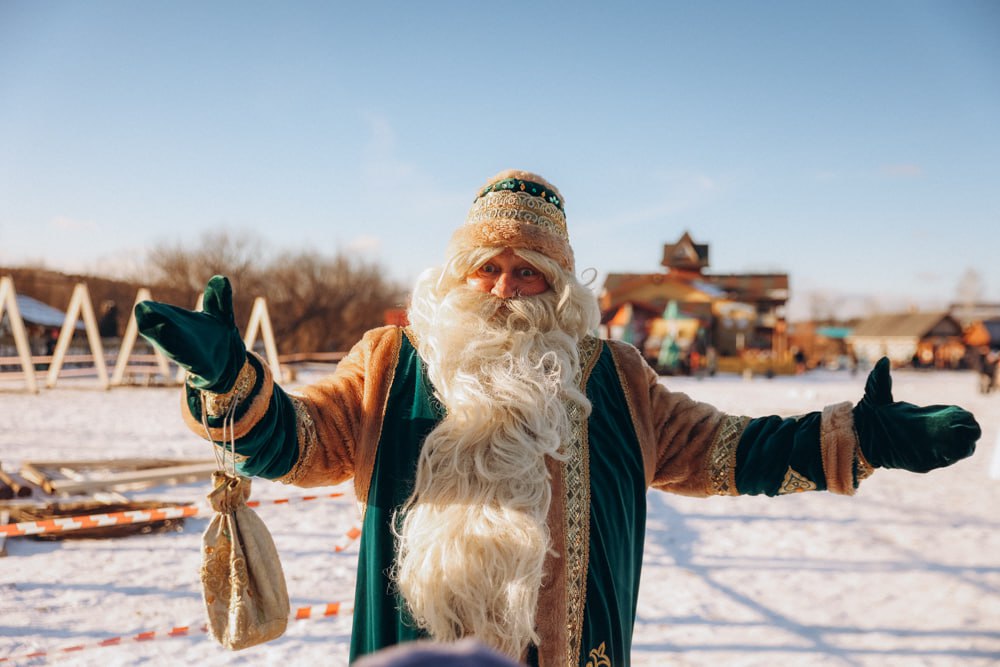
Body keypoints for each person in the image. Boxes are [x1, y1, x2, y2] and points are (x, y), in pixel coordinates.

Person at [135, 169, 980, 667]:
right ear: (459, 276)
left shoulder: (612, 378)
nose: (505, 288)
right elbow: (301, 439)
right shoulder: (391, 362)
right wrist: (230, 379)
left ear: (562, 286)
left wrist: (861, 438)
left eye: (529, 272)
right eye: (489, 268)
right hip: (417, 653)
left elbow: (725, 449)